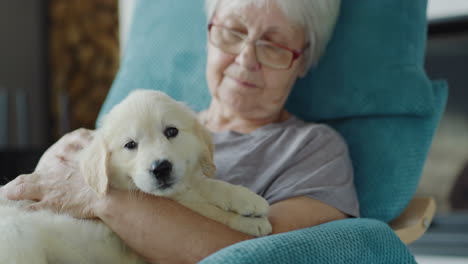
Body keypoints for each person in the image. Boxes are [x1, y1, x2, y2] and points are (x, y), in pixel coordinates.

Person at [0, 0, 359, 263]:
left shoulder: (314, 149)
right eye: (233, 33)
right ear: (209, 35)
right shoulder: (135, 124)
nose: (246, 58)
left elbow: (259, 256)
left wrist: (98, 198)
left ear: (302, 59)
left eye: (273, 44)